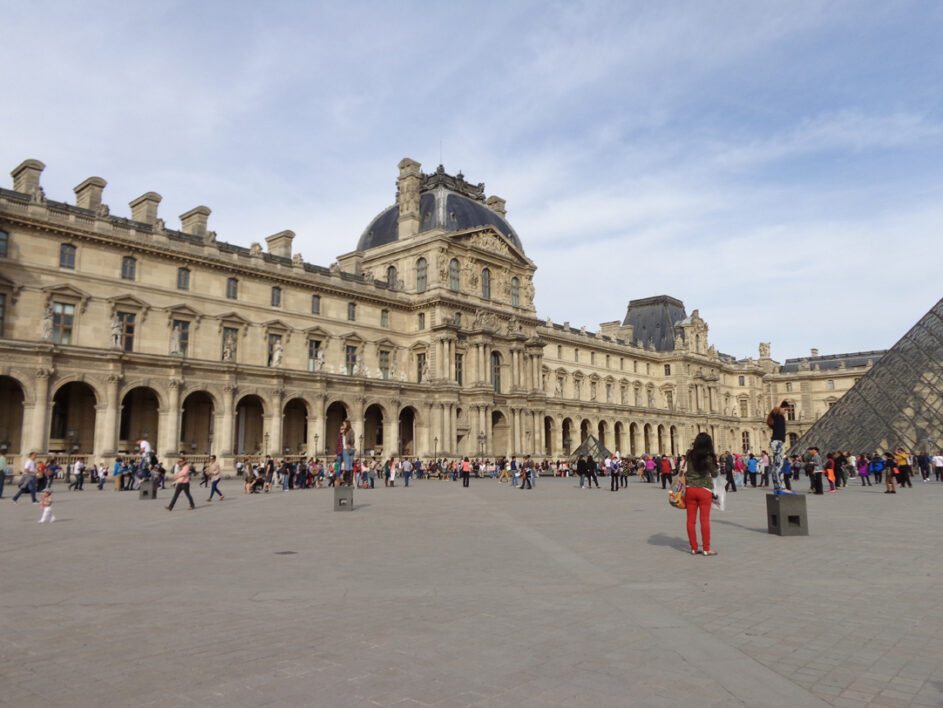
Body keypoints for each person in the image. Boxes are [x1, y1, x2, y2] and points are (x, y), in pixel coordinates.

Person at [682, 432, 719, 555]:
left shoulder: (689, 455)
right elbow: (715, 474)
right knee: (704, 520)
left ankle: (693, 547)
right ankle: (706, 549)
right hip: (704, 490)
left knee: (690, 521)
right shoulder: (708, 457)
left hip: (690, 489)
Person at [766, 401, 788, 492]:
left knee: (776, 465)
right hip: (777, 442)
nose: (785, 411)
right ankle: (781, 487)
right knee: (779, 465)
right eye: (785, 409)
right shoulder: (776, 415)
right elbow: (775, 407)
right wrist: (782, 399)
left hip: (777, 442)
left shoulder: (779, 417)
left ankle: (777, 486)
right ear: (780, 408)